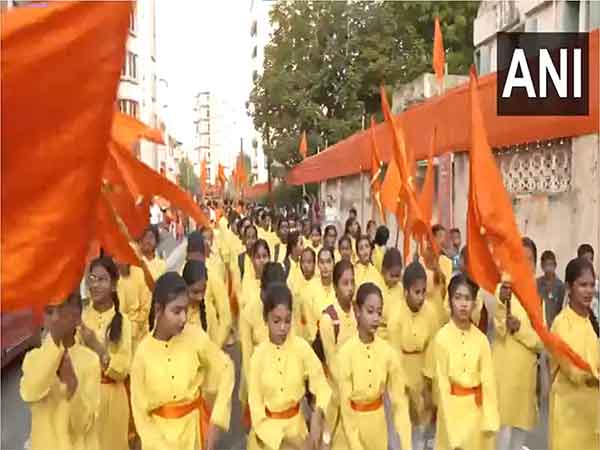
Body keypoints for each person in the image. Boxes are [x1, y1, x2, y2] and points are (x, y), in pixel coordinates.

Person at [131, 272, 234, 450]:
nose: (183, 319)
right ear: (158, 310)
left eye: (185, 310)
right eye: (176, 311)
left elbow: (226, 368)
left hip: (195, 435)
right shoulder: (142, 354)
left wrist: (217, 420)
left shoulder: (194, 336)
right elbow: (140, 414)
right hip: (159, 442)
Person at [247, 283, 332, 450]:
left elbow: (321, 384)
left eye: (287, 321)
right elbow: (256, 414)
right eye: (276, 321)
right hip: (268, 439)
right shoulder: (258, 357)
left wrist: (316, 417)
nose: (282, 328)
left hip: (298, 430)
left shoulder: (301, 348)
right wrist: (287, 444)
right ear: (266, 319)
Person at [425, 273, 499, 450]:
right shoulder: (441, 339)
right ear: (450, 301)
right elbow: (440, 386)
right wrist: (450, 428)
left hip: (476, 413)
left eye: (467, 298)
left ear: (474, 302)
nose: (463, 304)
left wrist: (489, 420)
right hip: (451, 412)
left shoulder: (481, 341)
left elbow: (488, 383)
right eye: (458, 298)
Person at [334, 282, 412, 450]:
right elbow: (346, 408)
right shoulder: (345, 353)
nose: (376, 318)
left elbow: (399, 402)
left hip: (378, 430)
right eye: (370, 311)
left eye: (379, 312)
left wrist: (406, 444)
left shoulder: (388, 352)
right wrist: (355, 445)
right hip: (350, 433)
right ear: (357, 311)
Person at [21, 290, 101, 450]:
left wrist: (73, 387)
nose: (55, 318)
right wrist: (54, 344)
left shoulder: (90, 360)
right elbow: (30, 392)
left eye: (62, 311)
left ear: (77, 317)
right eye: (49, 312)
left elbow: (83, 424)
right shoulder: (33, 358)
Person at [80, 257, 132, 450]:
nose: (95, 284)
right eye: (92, 278)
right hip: (85, 398)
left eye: (102, 279)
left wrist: (98, 348)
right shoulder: (81, 318)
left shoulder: (123, 322)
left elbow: (124, 368)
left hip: (114, 401)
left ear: (113, 285)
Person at [549, 257, 599, 450]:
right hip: (567, 414)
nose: (588, 291)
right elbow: (573, 369)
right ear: (569, 287)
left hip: (592, 413)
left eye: (591, 285)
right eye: (582, 285)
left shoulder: (592, 323)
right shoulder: (561, 324)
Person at [388, 262, 438, 450]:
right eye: (417, 292)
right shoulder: (396, 314)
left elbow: (433, 348)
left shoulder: (431, 312)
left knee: (420, 430)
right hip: (400, 377)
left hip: (422, 374)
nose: (421, 297)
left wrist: (427, 383)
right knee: (400, 429)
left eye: (424, 291)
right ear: (406, 291)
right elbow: (394, 357)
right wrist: (403, 388)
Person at [493, 263, 544, 450]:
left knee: (519, 431)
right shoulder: (503, 292)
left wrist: (520, 329)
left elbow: (540, 342)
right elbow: (498, 329)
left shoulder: (536, 298)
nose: (525, 264)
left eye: (529, 260)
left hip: (525, 375)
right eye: (520, 258)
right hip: (503, 373)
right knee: (500, 430)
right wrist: (500, 302)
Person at [182, 231, 231, 348]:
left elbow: (226, 319)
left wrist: (216, 346)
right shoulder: (181, 276)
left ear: (204, 256)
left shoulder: (213, 278)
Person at [303, 247, 337, 343]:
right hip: (317, 343)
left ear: (334, 263)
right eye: (322, 262)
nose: (325, 266)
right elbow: (310, 327)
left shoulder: (339, 287)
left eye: (328, 262)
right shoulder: (309, 290)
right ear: (318, 265)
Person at [377, 248, 404, 341]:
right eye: (392, 276)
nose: (395, 279)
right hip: (378, 335)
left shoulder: (401, 289)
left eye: (397, 276)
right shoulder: (376, 287)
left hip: (396, 337)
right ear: (384, 270)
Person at [536, 250, 566, 328]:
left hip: (555, 327)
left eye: (551, 264)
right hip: (540, 327)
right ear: (542, 266)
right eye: (546, 265)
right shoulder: (537, 284)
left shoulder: (560, 286)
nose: (549, 268)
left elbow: (562, 309)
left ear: (555, 265)